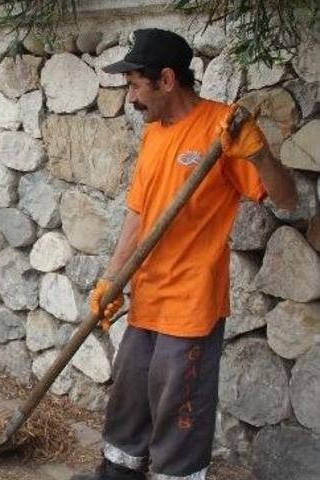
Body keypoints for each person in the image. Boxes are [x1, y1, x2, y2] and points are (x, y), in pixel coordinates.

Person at [73, 29, 296, 480]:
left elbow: (287, 198)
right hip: (147, 296)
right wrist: (110, 280)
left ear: (167, 80)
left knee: (180, 417)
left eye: (136, 85)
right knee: (128, 403)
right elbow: (138, 215)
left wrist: (259, 154)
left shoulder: (223, 130)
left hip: (192, 303)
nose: (131, 98)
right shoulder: (155, 133)